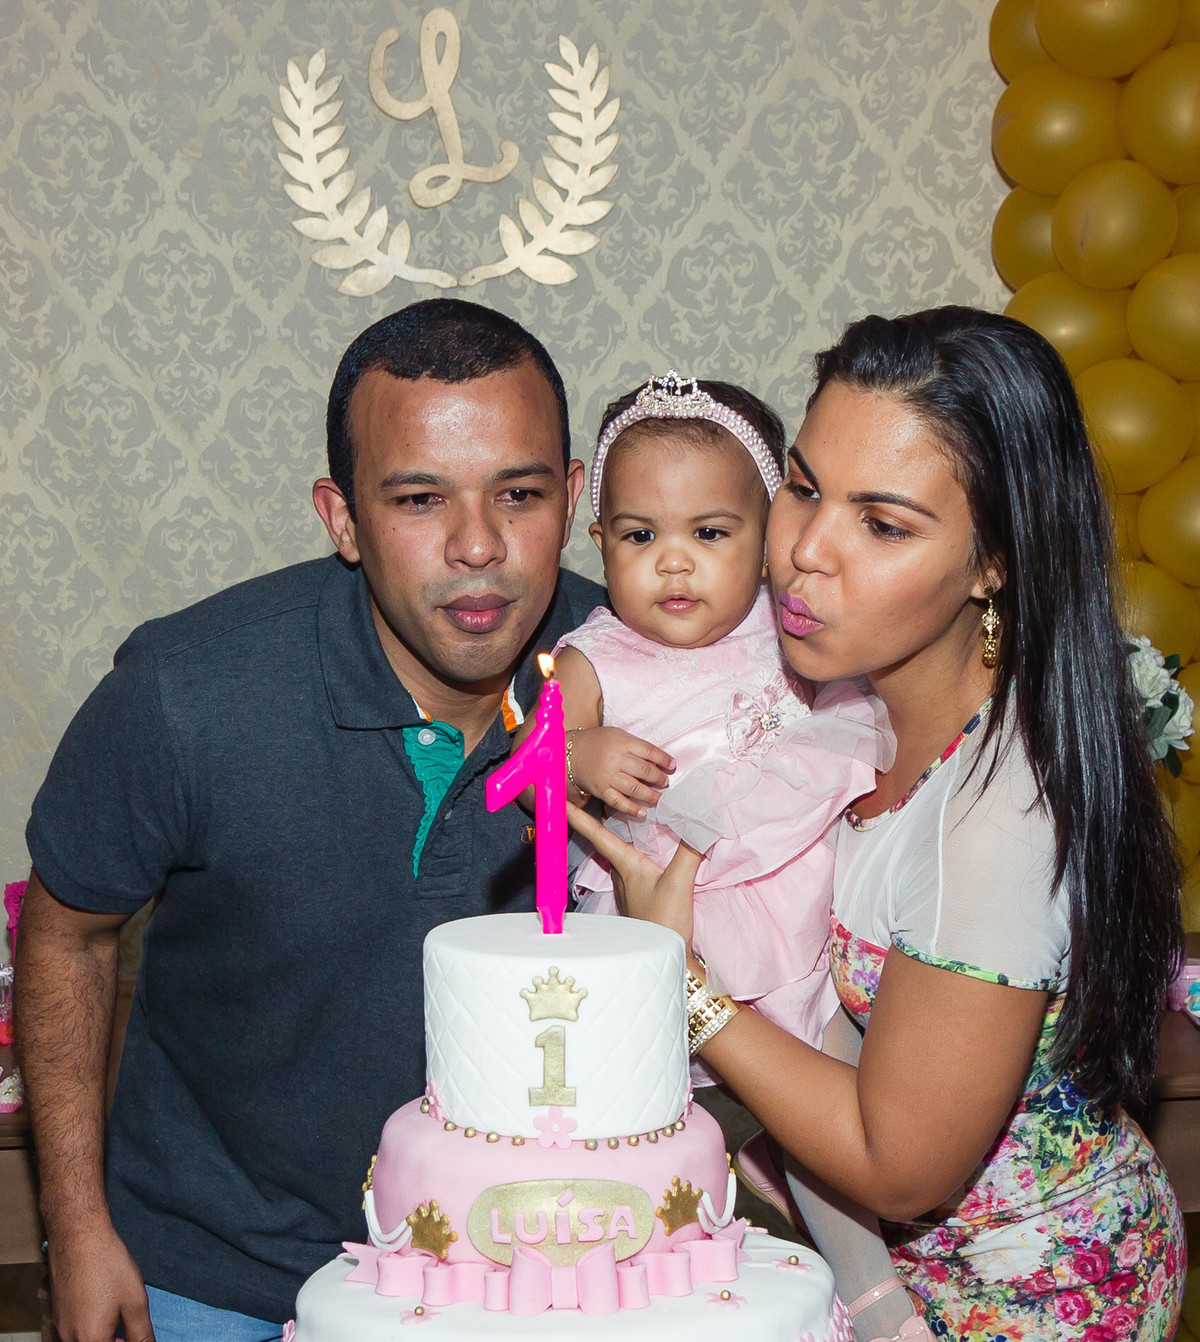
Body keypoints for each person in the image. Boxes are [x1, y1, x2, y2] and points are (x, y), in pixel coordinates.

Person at [567, 308, 1186, 1341]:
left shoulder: (993, 818)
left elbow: (900, 1166)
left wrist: (676, 977)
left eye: (884, 524)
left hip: (1024, 1301)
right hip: (882, 1279)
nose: (807, 551)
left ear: (996, 562)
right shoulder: (842, 703)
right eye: (804, 487)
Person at [16, 298, 600, 1342]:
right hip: (212, 1274)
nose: (478, 545)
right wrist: (77, 1225)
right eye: (421, 498)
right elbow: (70, 929)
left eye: (519, 492)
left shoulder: (645, 682)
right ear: (342, 518)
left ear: (574, 498)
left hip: (526, 1282)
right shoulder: (186, 691)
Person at [547, 372, 888, 1066]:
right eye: (640, 535)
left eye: (708, 532)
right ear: (599, 541)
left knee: (840, 1068)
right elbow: (530, 763)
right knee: (644, 1077)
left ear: (767, 537)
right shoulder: (597, 655)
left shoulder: (787, 622)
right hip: (672, 905)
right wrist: (579, 753)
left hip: (807, 889)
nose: (673, 561)